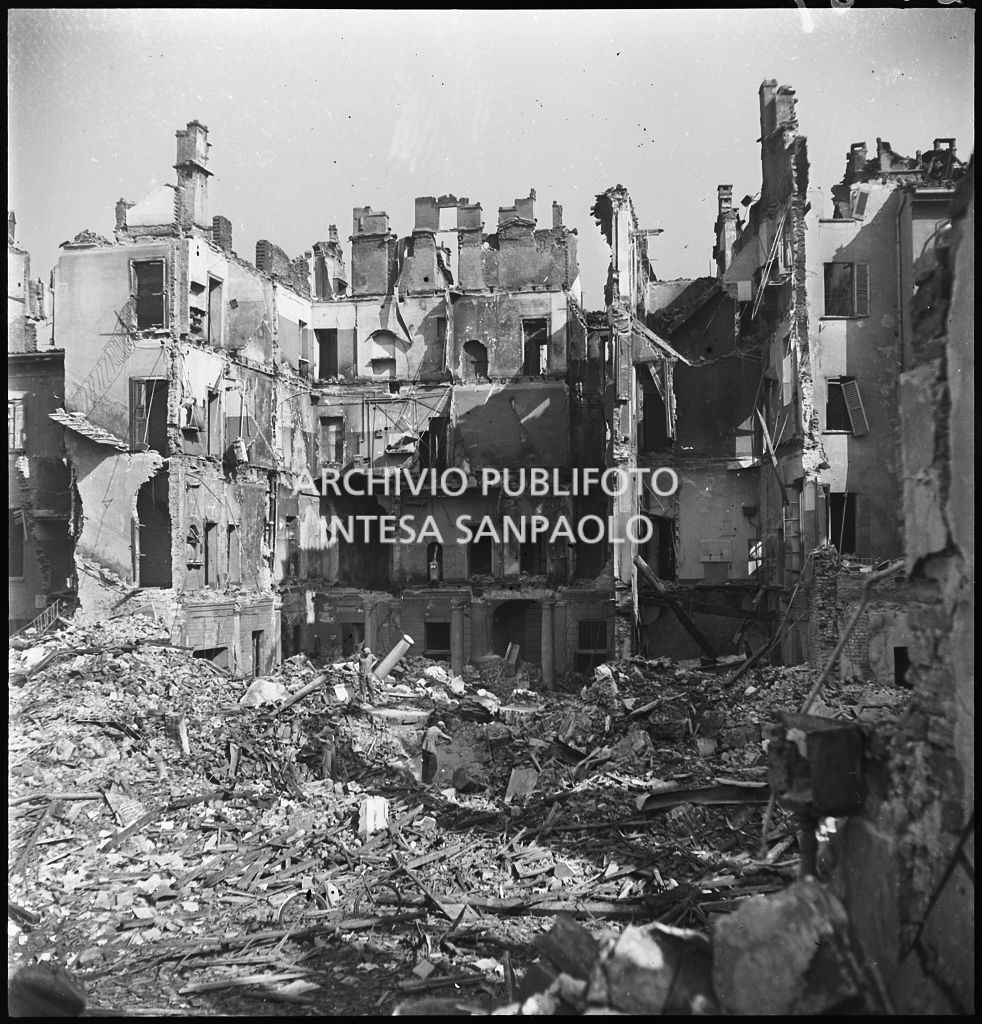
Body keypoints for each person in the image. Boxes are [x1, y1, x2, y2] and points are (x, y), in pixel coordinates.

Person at [421, 718, 453, 786]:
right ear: (441, 727)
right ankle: (429, 781)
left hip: (424, 750)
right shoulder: (438, 730)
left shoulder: (430, 729)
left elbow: (429, 739)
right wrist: (450, 739)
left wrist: (435, 742)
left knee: (425, 765)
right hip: (431, 751)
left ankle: (423, 780)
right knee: (433, 766)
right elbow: (446, 737)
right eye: (442, 728)